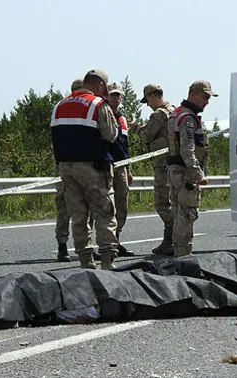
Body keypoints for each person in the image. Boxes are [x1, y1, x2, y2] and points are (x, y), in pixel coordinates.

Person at [50, 69, 120, 269]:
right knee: (105, 213)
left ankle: (85, 261)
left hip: (66, 168)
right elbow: (110, 134)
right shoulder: (98, 104)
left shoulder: (59, 106)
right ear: (99, 86)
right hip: (93, 167)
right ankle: (107, 261)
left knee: (78, 216)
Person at [166, 80, 216, 257]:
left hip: (175, 170)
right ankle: (183, 257)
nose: (207, 102)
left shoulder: (176, 113)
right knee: (186, 216)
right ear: (193, 94)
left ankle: (179, 255)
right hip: (185, 173)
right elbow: (187, 150)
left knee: (180, 214)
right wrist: (198, 173)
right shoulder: (188, 118)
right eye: (204, 97)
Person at [53, 78, 96, 262]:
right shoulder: (62, 108)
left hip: (82, 164)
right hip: (66, 165)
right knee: (64, 208)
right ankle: (62, 246)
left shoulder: (86, 109)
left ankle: (87, 246)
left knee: (89, 208)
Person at [131, 84, 176, 256]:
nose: (148, 104)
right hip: (174, 163)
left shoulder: (158, 114)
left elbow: (146, 136)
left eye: (147, 100)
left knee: (162, 203)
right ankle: (170, 240)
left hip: (163, 165)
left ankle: (171, 239)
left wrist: (137, 128)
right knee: (172, 201)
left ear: (152, 96)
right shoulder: (173, 110)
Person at [105, 83, 135, 258]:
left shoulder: (122, 118)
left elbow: (125, 146)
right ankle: (104, 243)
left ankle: (116, 240)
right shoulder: (101, 114)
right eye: (112, 95)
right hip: (106, 165)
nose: (115, 98)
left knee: (122, 203)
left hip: (121, 166)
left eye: (118, 95)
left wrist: (129, 168)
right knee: (106, 205)